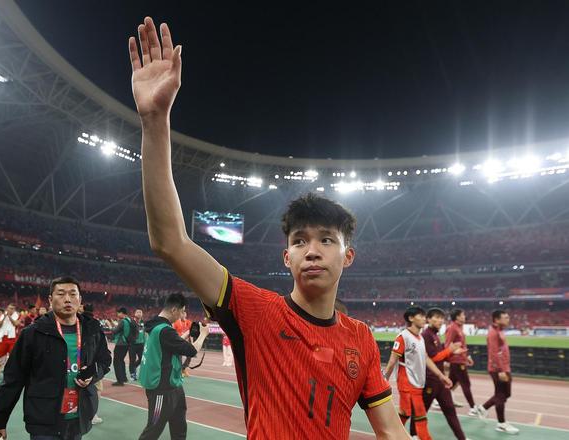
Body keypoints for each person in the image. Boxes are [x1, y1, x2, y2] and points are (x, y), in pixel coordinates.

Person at [128, 16, 407, 438]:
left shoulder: (362, 340)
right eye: (300, 241)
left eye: (326, 239)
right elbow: (170, 242)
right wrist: (154, 122)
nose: (312, 250)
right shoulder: (254, 311)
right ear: (286, 256)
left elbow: (390, 431)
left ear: (347, 255)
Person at [0, 276, 111, 440]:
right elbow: (13, 379)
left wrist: (93, 374)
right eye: (60, 294)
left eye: (73, 294)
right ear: (50, 299)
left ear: (80, 299)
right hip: (44, 420)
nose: (67, 299)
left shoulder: (92, 330)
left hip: (79, 418)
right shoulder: (33, 333)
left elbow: (104, 360)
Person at [138, 293, 209, 440]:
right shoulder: (165, 330)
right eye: (182, 311)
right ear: (174, 310)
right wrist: (203, 334)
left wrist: (186, 335)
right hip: (161, 389)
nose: (183, 315)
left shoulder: (156, 326)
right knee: (153, 430)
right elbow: (192, 351)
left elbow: (168, 345)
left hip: (174, 385)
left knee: (179, 425)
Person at [384, 306, 453, 440]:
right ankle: (394, 435)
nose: (424, 319)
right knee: (412, 412)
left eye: (424, 316)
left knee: (412, 413)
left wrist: (441, 376)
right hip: (406, 381)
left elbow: (426, 358)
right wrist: (384, 380)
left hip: (417, 382)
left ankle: (392, 434)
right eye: (420, 316)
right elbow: (392, 361)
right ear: (411, 318)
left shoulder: (420, 338)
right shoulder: (403, 337)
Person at [409, 308, 469, 440]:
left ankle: (462, 438)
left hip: (440, 381)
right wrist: (449, 350)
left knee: (450, 411)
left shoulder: (436, 335)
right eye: (436, 317)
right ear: (428, 319)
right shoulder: (426, 335)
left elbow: (441, 356)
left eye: (442, 318)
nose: (440, 320)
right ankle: (413, 435)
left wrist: (454, 353)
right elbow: (432, 358)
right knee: (421, 411)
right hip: (430, 380)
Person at [475, 310, 519, 434]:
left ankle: (483, 408)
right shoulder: (493, 333)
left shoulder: (499, 330)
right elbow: (494, 353)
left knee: (506, 394)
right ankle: (501, 423)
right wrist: (501, 370)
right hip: (498, 369)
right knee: (500, 395)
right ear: (497, 319)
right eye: (505, 317)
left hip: (504, 367)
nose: (508, 319)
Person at [445, 309, 479, 415]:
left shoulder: (459, 327)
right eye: (462, 315)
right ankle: (473, 407)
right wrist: (451, 355)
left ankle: (440, 399)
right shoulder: (452, 328)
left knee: (451, 383)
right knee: (466, 383)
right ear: (457, 317)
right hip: (457, 361)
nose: (464, 316)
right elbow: (447, 344)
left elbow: (462, 345)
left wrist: (467, 356)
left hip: (460, 359)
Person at [82, 304, 104, 426]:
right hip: (92, 363)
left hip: (78, 361)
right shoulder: (96, 324)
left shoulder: (76, 321)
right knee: (97, 388)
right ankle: (93, 414)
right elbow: (99, 344)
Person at [0, 303, 20, 380]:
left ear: (14, 310)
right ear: (7, 308)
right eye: (9, 308)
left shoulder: (17, 315)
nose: (10, 310)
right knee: (0, 355)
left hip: (12, 338)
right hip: (3, 338)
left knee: (13, 356)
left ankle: (11, 373)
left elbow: (15, 324)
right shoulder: (2, 316)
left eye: (12, 308)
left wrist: (9, 316)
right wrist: (4, 317)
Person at [111, 307, 134, 386]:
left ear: (121, 313)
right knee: (121, 360)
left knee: (116, 362)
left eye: (118, 313)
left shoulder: (123, 321)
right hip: (127, 343)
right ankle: (124, 378)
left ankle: (120, 381)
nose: (117, 314)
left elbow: (115, 331)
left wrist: (110, 326)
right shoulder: (129, 320)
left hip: (121, 343)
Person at [130, 309, 146, 381]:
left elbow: (144, 333)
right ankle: (133, 374)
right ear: (134, 314)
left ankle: (134, 367)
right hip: (133, 344)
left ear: (142, 314)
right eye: (137, 312)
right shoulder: (131, 322)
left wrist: (145, 342)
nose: (139, 313)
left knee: (142, 359)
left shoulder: (143, 322)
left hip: (141, 344)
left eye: (140, 312)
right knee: (132, 360)